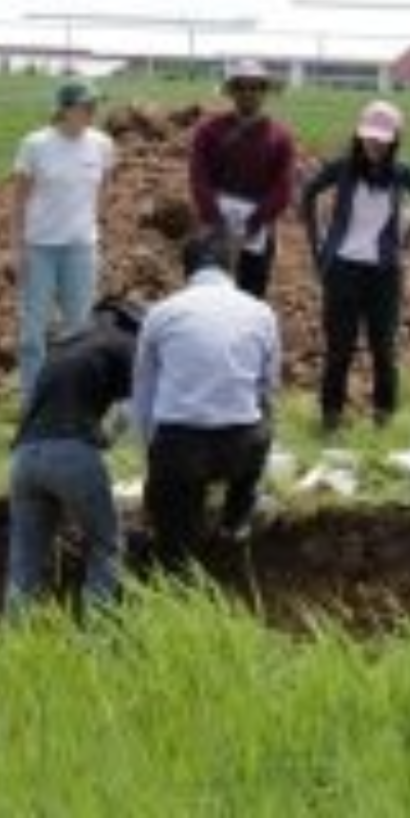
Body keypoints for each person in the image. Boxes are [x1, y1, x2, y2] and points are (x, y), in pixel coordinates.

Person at [133, 232, 280, 573]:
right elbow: (269, 388)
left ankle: (176, 568)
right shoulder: (261, 313)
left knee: (174, 549)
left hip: (179, 448)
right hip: (241, 448)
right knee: (264, 414)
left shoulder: (161, 314)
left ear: (187, 271)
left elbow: (143, 394)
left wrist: (151, 461)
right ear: (232, 269)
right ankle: (237, 518)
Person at [301, 100, 410, 432]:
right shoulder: (342, 168)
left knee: (383, 349)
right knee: (339, 349)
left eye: (382, 139)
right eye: (369, 137)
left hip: (384, 274)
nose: (374, 144)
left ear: (394, 140)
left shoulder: (402, 173)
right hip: (342, 270)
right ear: (359, 136)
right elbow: (308, 194)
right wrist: (317, 246)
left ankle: (383, 417)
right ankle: (331, 418)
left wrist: (408, 240)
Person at [5, 299, 144, 614]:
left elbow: (59, 404)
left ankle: (15, 644)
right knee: (106, 545)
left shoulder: (64, 347)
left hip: (24, 458)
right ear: (133, 324)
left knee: (24, 565)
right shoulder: (124, 342)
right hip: (71, 453)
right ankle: (99, 637)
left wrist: (100, 436)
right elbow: (136, 406)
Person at [13, 79, 115, 403]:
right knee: (33, 333)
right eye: (85, 106)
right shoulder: (35, 144)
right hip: (40, 247)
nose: (92, 111)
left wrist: (98, 235)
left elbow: (103, 192)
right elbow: (19, 200)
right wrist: (18, 248)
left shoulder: (102, 145)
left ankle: (73, 401)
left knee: (79, 330)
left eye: (94, 105)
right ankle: (33, 401)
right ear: (65, 109)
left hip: (80, 248)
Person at [188, 60, 296, 298]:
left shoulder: (280, 137)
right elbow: (198, 177)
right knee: (210, 293)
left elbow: (283, 186)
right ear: (232, 91)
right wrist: (215, 220)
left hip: (256, 229)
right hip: (215, 226)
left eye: (255, 87)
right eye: (241, 87)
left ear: (265, 92)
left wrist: (254, 223)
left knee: (252, 291)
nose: (248, 93)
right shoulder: (209, 130)